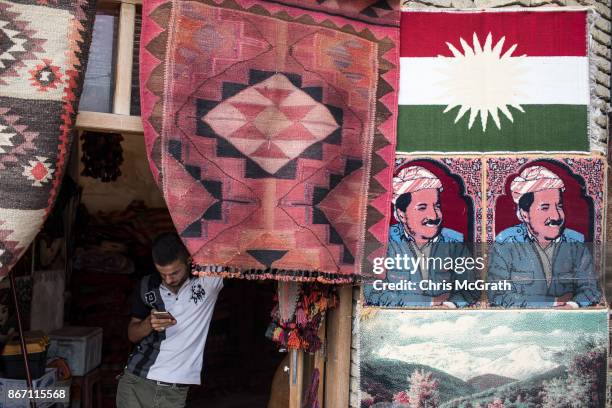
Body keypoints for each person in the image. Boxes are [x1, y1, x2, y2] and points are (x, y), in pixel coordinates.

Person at [116, 233, 223, 408]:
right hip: (135, 383)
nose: (169, 279)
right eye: (162, 273)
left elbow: (222, 238)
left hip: (173, 393)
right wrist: (149, 323)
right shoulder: (147, 286)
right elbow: (132, 335)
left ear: (189, 260)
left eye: (175, 272)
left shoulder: (207, 282)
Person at [364, 165, 479, 307]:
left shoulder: (454, 243)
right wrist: (430, 302)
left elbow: (470, 290)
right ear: (401, 214)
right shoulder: (383, 243)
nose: (434, 215)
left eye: (436, 206)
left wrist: (450, 305)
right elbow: (373, 292)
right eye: (422, 208)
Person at [488, 165, 602, 308]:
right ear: (524, 214)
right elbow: (498, 295)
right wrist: (553, 302)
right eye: (545, 207)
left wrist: (572, 306)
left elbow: (591, 290)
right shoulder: (505, 244)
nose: (556, 216)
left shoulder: (576, 244)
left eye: (559, 206)